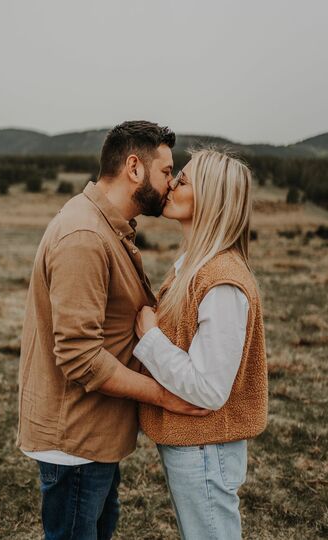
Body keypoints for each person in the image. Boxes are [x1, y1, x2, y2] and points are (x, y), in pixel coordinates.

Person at [16, 121, 209, 540]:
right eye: (166, 171)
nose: (172, 183)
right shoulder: (84, 236)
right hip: (75, 445)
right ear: (134, 168)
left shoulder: (106, 226)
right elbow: (80, 357)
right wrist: (167, 397)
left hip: (92, 439)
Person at [134, 148, 268, 540]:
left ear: (210, 198)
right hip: (196, 446)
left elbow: (209, 388)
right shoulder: (196, 265)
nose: (172, 184)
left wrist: (150, 337)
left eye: (185, 180)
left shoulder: (222, 279)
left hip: (205, 449)